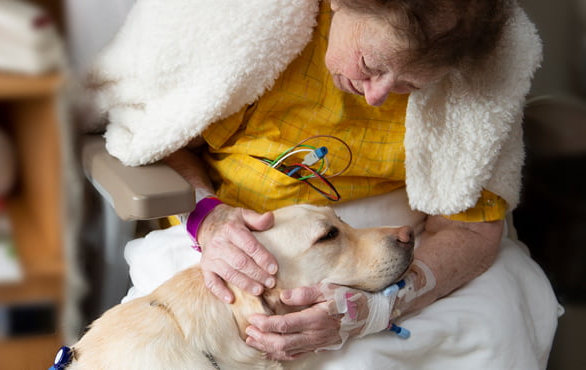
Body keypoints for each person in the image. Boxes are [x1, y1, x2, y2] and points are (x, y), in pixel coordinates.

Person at [88, 0, 560, 367]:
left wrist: (383, 305)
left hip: (408, 245)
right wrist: (208, 217)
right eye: (371, 64)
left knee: (495, 325)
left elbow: (473, 229)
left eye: (409, 84)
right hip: (231, 242)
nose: (377, 96)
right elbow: (159, 135)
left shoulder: (476, 71)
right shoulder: (236, 24)